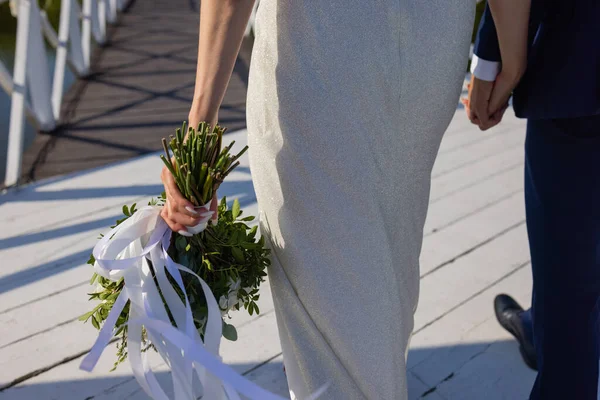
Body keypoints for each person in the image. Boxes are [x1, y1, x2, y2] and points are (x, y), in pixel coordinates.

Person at [160, 1, 475, 399]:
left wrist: (199, 126)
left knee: (330, 314)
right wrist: (506, 38)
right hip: (434, 42)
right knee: (386, 266)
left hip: (323, 44)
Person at [466, 1, 600, 398]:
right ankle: (539, 323)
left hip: (581, 62)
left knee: (568, 284)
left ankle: (550, 328)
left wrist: (492, 65)